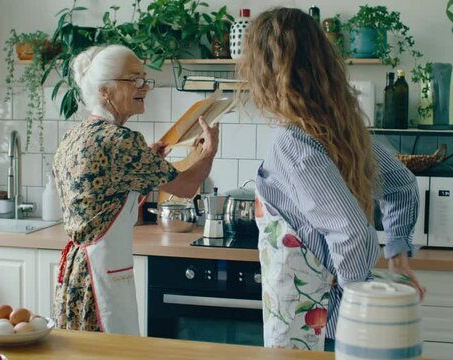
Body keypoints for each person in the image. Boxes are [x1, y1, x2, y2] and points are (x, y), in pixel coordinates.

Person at [238, 8, 426, 351]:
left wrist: (358, 307)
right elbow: (403, 185)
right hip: (335, 326)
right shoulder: (341, 130)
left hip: (315, 331)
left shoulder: (292, 142)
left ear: (263, 70)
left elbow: (354, 233)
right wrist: (398, 255)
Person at [52, 45, 219, 334]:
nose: (145, 87)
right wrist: (209, 154)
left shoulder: (75, 135)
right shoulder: (121, 141)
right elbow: (188, 186)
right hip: (100, 280)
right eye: (134, 80)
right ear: (105, 91)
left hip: (77, 276)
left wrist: (146, 161)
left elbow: (105, 195)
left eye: (144, 79)